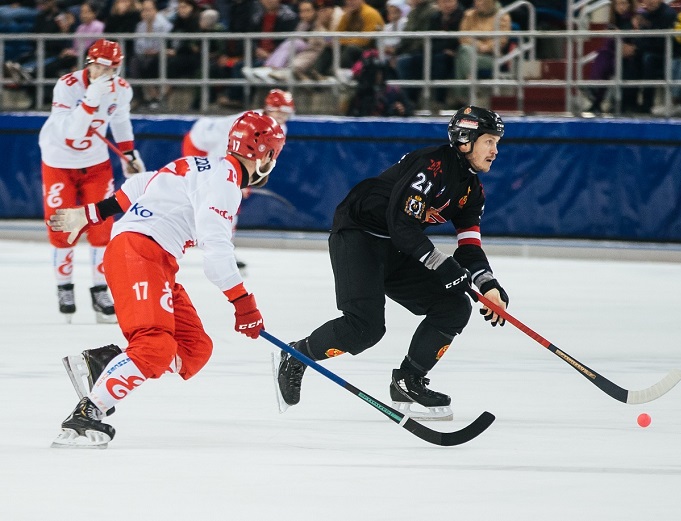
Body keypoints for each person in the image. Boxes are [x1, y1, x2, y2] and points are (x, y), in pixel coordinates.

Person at [48, 111, 286, 448]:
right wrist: (243, 304)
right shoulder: (225, 185)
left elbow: (140, 183)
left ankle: (103, 362)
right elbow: (216, 251)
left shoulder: (198, 164)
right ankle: (88, 411)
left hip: (154, 258)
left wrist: (91, 214)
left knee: (194, 349)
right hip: (138, 253)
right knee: (155, 346)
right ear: (266, 155)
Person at [274, 106, 509, 421]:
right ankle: (297, 354)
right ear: (465, 140)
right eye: (489, 141)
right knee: (365, 329)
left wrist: (488, 285)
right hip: (359, 236)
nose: (495, 150)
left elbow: (468, 247)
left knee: (453, 306)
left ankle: (407, 381)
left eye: (496, 142)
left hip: (398, 247)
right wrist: (441, 265)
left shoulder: (471, 190)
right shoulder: (431, 167)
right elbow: (402, 225)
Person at [39, 38, 146, 325]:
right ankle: (65, 287)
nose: (106, 73)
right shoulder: (67, 85)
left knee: (101, 225)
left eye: (112, 68)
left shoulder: (121, 90)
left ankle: (100, 289)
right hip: (59, 160)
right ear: (89, 64)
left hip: (96, 163)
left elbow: (121, 121)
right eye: (100, 66)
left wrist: (128, 153)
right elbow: (72, 135)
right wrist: (91, 99)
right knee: (61, 225)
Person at [182, 88, 295, 271]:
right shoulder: (250, 124)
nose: (282, 117)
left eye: (286, 114)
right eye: (279, 112)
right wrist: (234, 180)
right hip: (200, 144)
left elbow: (264, 158)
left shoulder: (280, 128)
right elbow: (222, 150)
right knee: (212, 197)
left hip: (217, 148)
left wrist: (248, 180)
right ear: (268, 108)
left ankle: (223, 249)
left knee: (227, 201)